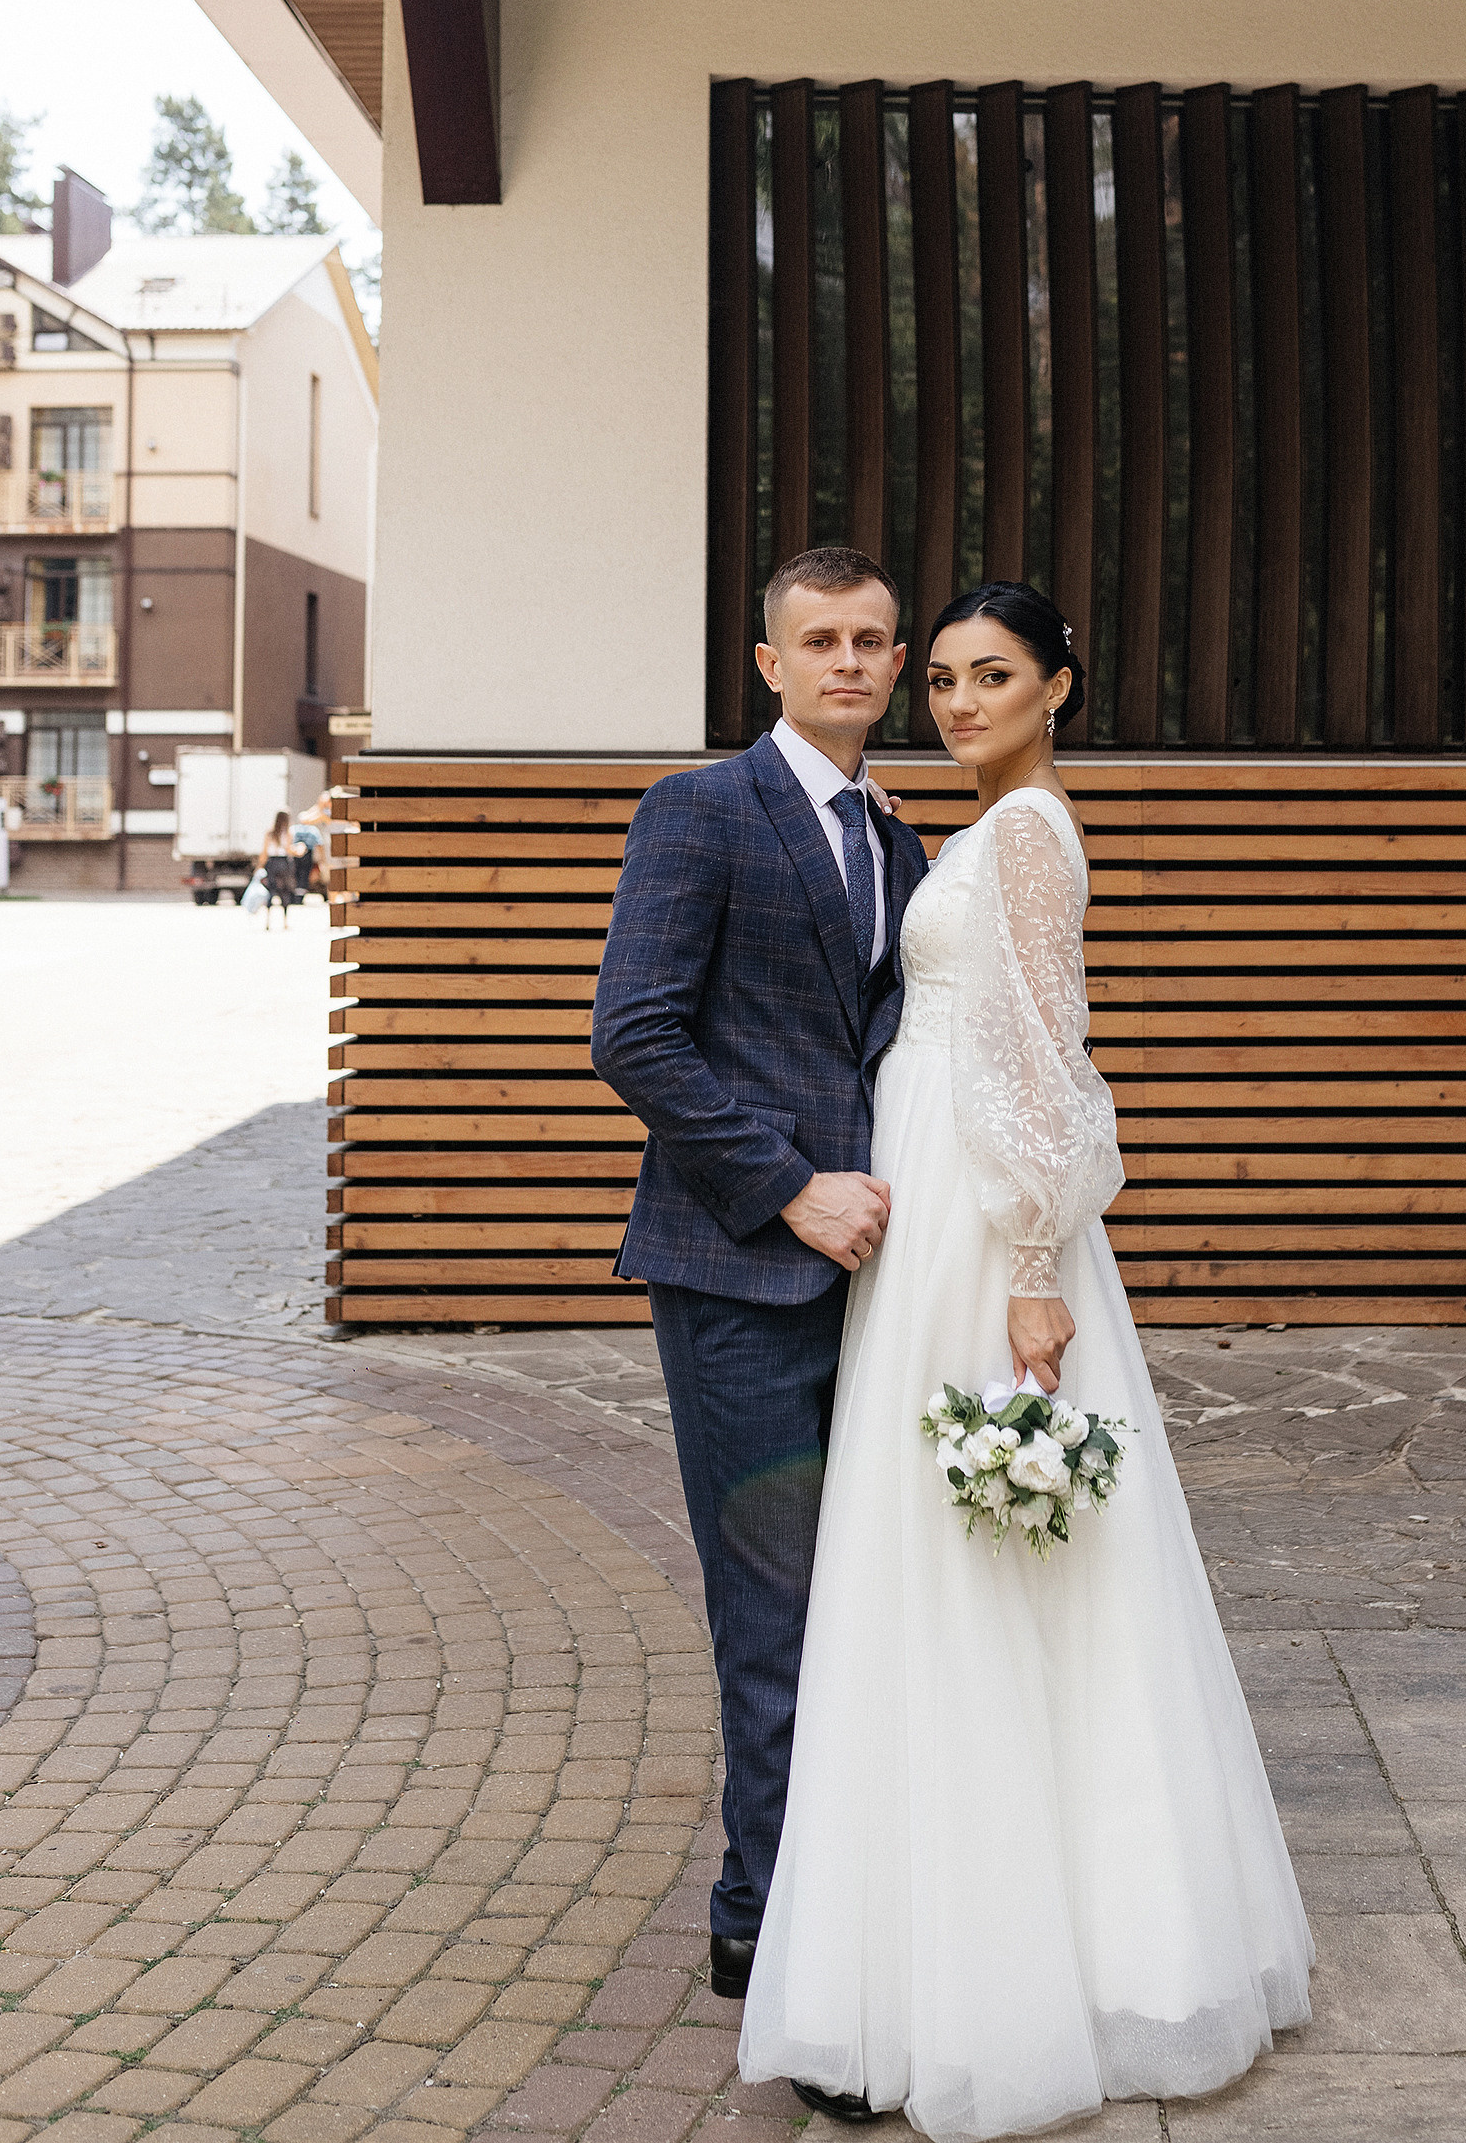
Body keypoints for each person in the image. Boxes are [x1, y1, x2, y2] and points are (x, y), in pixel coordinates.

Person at [738, 583, 1313, 2138]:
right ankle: (941, 1937)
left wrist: (1040, 1269)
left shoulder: (1035, 835)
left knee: (986, 1555)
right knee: (931, 1550)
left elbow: (1051, 1055)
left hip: (989, 1229)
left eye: (992, 676)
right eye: (941, 677)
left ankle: (1021, 1959)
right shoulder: (975, 828)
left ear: (1061, 684)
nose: (955, 700)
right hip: (930, 1197)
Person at [589, 546, 929, 2014]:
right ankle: (767, 1932)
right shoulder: (702, 812)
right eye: (821, 640)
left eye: (872, 640)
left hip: (880, 1284)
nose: (849, 661)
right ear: (769, 664)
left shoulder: (901, 842)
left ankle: (823, 1908)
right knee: (775, 1614)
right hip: (739, 1277)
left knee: (869, 1603)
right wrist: (789, 1188)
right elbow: (637, 1035)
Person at [259, 808, 298, 926]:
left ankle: (267, 921)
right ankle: (285, 921)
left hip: (272, 862)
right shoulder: (288, 832)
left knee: (271, 890)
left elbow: (264, 852)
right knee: (285, 891)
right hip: (284, 862)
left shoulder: (270, 832)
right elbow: (288, 849)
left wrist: (259, 866)